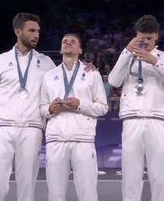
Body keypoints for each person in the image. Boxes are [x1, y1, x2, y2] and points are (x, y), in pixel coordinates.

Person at [0, 13, 56, 201]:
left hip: (32, 127)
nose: (36, 34)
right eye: (31, 30)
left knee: (27, 184)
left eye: (38, 31)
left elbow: (63, 80)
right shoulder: (1, 60)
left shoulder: (46, 62)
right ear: (18, 31)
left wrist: (85, 68)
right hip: (1, 127)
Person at [108, 15, 164, 201]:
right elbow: (113, 80)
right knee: (131, 175)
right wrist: (126, 51)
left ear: (157, 35)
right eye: (142, 37)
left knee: (159, 175)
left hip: (158, 119)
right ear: (136, 36)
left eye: (149, 37)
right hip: (132, 119)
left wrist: (154, 61)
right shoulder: (128, 56)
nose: (146, 41)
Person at [40, 33, 108, 201]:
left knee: (88, 194)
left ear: (80, 49)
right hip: (56, 139)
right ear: (61, 48)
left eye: (73, 42)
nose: (68, 43)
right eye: (65, 41)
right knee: (55, 194)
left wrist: (80, 105)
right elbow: (41, 108)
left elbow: (103, 108)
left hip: (83, 139)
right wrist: (50, 108)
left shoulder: (92, 74)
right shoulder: (49, 76)